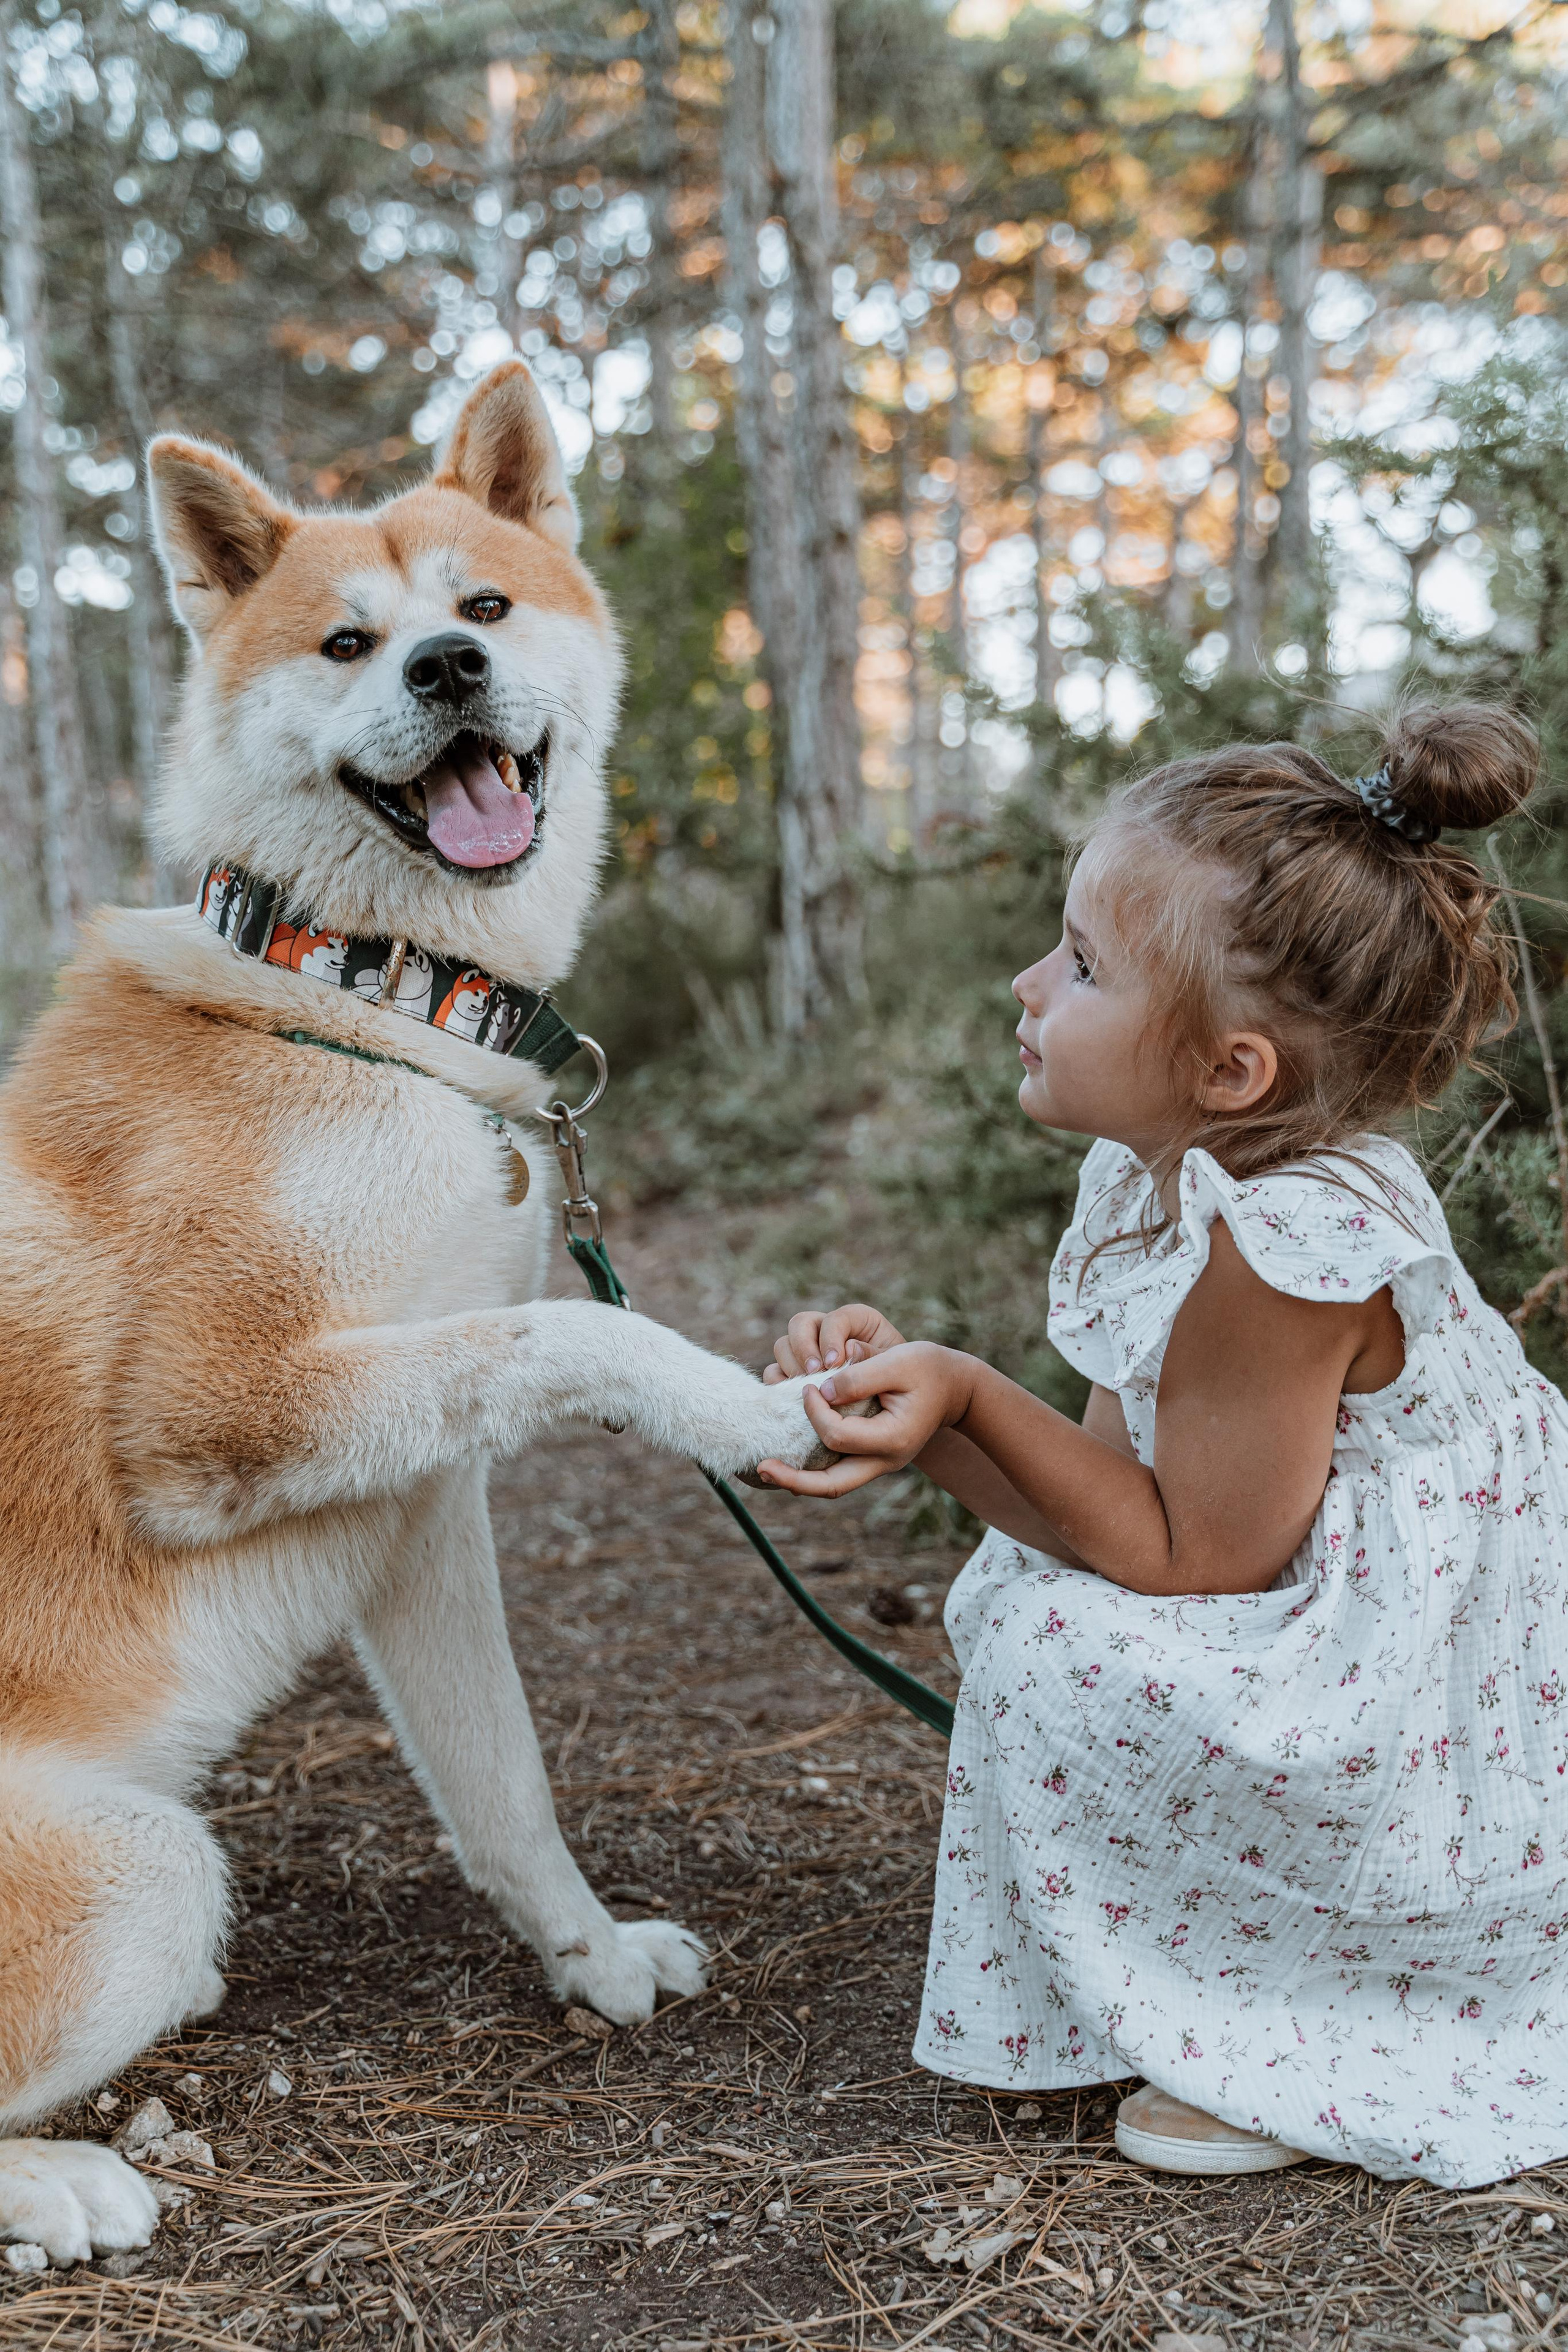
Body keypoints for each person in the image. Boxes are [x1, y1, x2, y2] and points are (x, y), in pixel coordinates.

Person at [755, 703, 1568, 2187]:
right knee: (1026, 1596)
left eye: (1081, 966)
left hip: (1422, 1683)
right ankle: (1221, 1962)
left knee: (1059, 1643)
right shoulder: (1159, 1178)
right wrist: (919, 1407)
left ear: (1228, 1072)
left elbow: (1192, 1562)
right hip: (1318, 1605)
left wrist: (962, 1395)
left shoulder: (1283, 1250)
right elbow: (1103, 1506)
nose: (1026, 984)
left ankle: (1303, 2021)